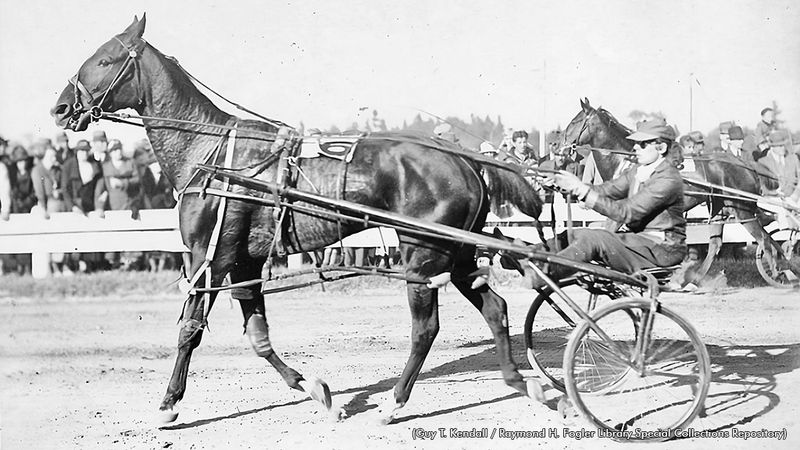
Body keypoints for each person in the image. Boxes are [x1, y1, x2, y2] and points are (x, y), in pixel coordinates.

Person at [523, 118, 686, 286]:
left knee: (592, 239)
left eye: (642, 144)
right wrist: (563, 183)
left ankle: (546, 272)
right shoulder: (638, 171)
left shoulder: (668, 178)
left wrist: (582, 190)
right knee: (576, 234)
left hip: (662, 250)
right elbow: (607, 190)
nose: (635, 147)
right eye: (636, 143)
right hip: (640, 242)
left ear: (661, 148)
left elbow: (627, 213)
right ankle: (526, 254)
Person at [759, 130, 800, 205]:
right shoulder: (763, 162)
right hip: (773, 200)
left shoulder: (793, 158)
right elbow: (763, 186)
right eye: (779, 146)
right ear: (772, 147)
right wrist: (775, 194)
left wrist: (795, 196)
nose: (783, 148)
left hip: (794, 198)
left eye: (783, 145)